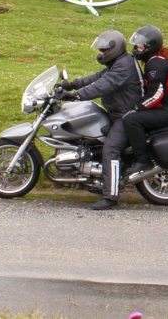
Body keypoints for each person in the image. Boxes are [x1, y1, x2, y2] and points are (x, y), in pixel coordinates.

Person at [60, 30, 142, 210]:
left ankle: (110, 197)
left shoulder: (124, 67)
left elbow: (104, 85)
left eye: (103, 50)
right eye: (100, 50)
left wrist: (76, 95)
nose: (100, 53)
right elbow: (97, 78)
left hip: (126, 116)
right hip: (116, 114)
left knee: (111, 149)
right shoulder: (117, 64)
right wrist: (72, 84)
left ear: (114, 49)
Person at [122, 25, 168, 180]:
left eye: (140, 46)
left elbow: (157, 93)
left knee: (131, 120)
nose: (137, 48)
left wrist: (137, 107)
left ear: (151, 46)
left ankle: (143, 161)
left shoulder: (155, 64)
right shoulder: (156, 60)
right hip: (167, 108)